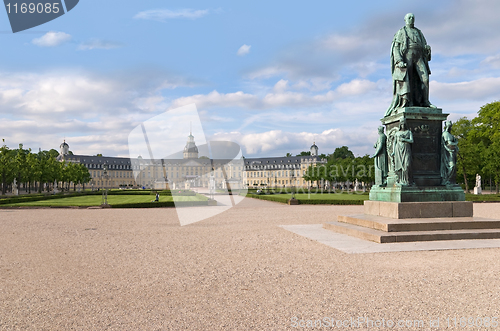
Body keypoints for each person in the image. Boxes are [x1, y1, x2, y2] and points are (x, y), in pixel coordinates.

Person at [385, 13, 436, 117]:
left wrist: (427, 50)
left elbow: (424, 45)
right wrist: (399, 60)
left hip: (419, 57)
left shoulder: (418, 32)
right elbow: (396, 48)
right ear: (405, 19)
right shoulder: (401, 32)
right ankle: (407, 102)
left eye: (413, 17)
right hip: (407, 56)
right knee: (408, 80)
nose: (411, 19)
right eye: (409, 17)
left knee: (425, 79)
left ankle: (425, 101)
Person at [392, 119, 414, 185]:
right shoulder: (397, 133)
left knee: (407, 165)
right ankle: (400, 180)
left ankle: (407, 180)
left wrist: (404, 139)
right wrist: (393, 152)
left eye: (404, 124)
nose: (403, 125)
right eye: (401, 124)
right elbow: (394, 143)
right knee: (399, 166)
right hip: (398, 150)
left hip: (406, 149)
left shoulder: (409, 132)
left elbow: (412, 141)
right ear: (400, 125)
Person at [440, 121, 459, 185]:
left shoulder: (450, 134)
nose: (450, 128)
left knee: (454, 166)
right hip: (448, 152)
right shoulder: (446, 134)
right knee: (452, 166)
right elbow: (449, 143)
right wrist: (456, 143)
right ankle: (446, 179)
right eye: (449, 126)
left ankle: (450, 181)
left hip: (452, 152)